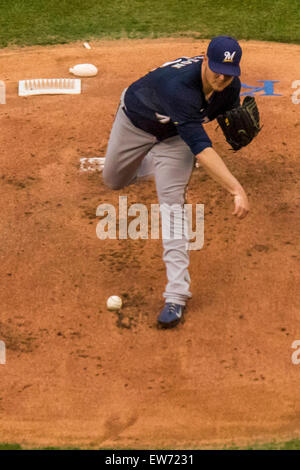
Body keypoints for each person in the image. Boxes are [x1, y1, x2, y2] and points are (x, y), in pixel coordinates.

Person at [102, 36, 249, 329]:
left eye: (229, 72)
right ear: (205, 60)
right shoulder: (179, 86)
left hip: (176, 140)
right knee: (114, 179)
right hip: (137, 122)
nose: (222, 77)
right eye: (217, 68)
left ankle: (176, 296)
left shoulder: (230, 85)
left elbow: (210, 124)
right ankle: (150, 160)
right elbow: (201, 145)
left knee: (173, 208)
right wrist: (235, 188)